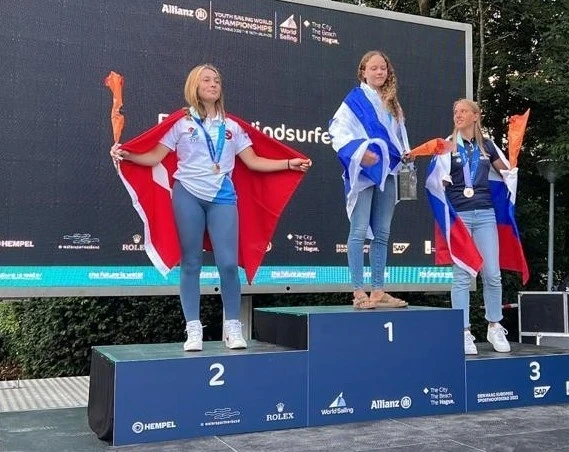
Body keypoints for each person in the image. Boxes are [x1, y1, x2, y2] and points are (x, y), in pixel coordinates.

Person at [110, 64, 311, 352]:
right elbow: (154, 157)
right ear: (194, 86)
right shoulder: (182, 122)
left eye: (216, 80)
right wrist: (127, 155)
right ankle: (193, 329)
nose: (213, 84)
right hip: (187, 195)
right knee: (191, 263)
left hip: (223, 197)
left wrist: (289, 163)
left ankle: (233, 327)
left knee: (228, 264)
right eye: (206, 80)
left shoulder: (232, 126)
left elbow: (253, 161)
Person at [328, 51, 410, 310]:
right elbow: (337, 130)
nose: (379, 72)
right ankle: (358, 291)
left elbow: (398, 135)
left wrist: (406, 152)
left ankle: (378, 290)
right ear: (363, 72)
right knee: (359, 230)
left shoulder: (392, 102)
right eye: (373, 68)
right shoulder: (355, 99)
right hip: (364, 172)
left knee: (383, 233)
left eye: (383, 68)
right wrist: (360, 152)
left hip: (389, 171)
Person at [438, 99, 513, 354]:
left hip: (485, 214)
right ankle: (463, 331)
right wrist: (440, 179)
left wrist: (512, 170)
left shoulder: (487, 146)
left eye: (463, 111)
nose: (458, 115)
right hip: (459, 215)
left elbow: (506, 172)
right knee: (462, 276)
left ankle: (494, 325)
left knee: (492, 273)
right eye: (455, 111)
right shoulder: (448, 145)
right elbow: (438, 180)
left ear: (475, 116)